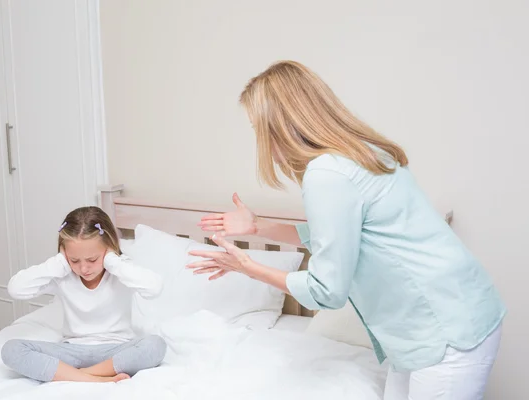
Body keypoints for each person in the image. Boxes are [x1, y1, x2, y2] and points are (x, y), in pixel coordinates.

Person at [186, 60, 506, 399]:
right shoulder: (358, 153)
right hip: (437, 319)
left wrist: (247, 267)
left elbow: (327, 290)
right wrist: (259, 227)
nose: (259, 140)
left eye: (257, 128)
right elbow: (337, 236)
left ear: (280, 124)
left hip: (445, 328)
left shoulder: (328, 174)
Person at [1, 206, 166, 383]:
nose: (84, 268)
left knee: (156, 345)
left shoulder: (121, 269)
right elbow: (16, 289)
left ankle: (80, 374)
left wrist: (113, 262)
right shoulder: (61, 274)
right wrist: (58, 264)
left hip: (116, 349)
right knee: (11, 349)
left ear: (109, 248)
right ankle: (96, 378)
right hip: (72, 350)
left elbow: (154, 288)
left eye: (92, 260)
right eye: (74, 260)